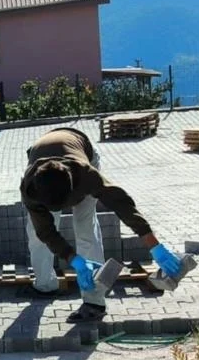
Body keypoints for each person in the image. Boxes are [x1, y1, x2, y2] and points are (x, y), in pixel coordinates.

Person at [20, 127, 182, 324]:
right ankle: (45, 285)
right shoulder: (31, 188)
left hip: (82, 152)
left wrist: (153, 244)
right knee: (37, 236)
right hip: (46, 162)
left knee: (84, 227)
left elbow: (121, 203)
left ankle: (94, 302)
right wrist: (74, 260)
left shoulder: (86, 176)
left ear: (73, 190)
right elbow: (46, 231)